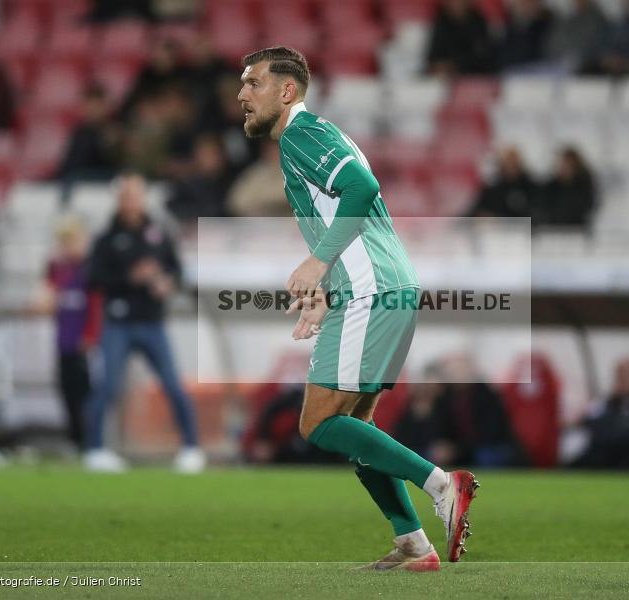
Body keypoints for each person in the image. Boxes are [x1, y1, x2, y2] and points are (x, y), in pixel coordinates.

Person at [237, 46, 479, 570]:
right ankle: (413, 544)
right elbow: (350, 211)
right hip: (382, 285)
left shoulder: (303, 132)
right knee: (357, 428)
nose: (241, 94)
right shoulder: (308, 142)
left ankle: (443, 484)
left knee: (318, 423)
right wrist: (327, 292)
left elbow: (364, 187)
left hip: (372, 289)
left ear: (287, 91)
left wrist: (319, 265)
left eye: (253, 83)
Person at [84, 172, 203, 474]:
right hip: (118, 322)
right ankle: (95, 449)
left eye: (135, 196)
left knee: (173, 385)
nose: (131, 202)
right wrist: (129, 279)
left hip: (152, 321)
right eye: (126, 196)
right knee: (107, 386)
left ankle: (191, 447)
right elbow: (93, 279)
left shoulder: (159, 233)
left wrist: (167, 283)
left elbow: (177, 271)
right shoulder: (107, 238)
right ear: (118, 200)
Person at [33, 217, 99, 449]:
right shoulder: (57, 269)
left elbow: (95, 305)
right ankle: (75, 440)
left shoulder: (90, 269)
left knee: (87, 393)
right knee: (67, 390)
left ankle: (92, 441)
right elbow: (45, 298)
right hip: (64, 339)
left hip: (84, 341)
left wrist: (91, 335)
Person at [58, 84, 121, 198]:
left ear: (105, 106)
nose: (91, 109)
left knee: (71, 178)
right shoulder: (80, 130)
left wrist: (109, 143)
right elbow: (69, 162)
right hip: (76, 176)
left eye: (96, 105)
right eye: (88, 105)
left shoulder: (112, 129)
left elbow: (114, 162)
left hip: (102, 177)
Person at [166, 134, 232, 224]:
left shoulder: (233, 181)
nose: (208, 159)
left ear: (222, 155)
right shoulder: (187, 186)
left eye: (212, 153)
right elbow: (174, 210)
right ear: (196, 157)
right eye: (204, 154)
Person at [426, 0, 496, 76]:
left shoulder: (478, 22)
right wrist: (438, 66)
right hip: (445, 78)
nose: (457, 4)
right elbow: (433, 56)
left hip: (474, 78)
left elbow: (482, 57)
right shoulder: (441, 21)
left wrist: (454, 66)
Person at [226, 141, 292, 217]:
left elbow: (292, 196)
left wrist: (262, 199)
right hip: (260, 222)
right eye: (270, 150)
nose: (273, 153)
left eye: (277, 149)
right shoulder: (256, 172)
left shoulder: (295, 171)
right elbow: (236, 201)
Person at [468, 146, 537, 218]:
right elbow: (477, 212)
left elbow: (537, 211)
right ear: (501, 164)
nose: (511, 165)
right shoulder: (491, 189)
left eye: (514, 161)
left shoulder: (530, 187)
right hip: (498, 228)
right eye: (508, 162)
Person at [538, 147, 597, 228]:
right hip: (553, 231)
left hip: (577, 230)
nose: (565, 167)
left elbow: (587, 207)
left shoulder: (584, 186)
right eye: (562, 164)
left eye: (568, 164)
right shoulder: (551, 186)